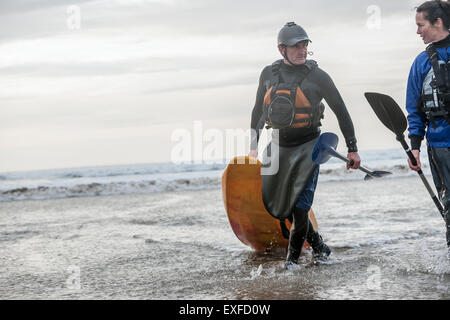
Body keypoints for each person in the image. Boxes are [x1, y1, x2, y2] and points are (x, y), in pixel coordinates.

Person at [249, 22, 361, 269]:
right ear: (281, 49)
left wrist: (352, 148)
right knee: (283, 206)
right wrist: (253, 145)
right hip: (277, 146)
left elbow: (341, 111)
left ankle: (291, 266)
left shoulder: (318, 77)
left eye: (304, 45)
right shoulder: (268, 74)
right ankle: (319, 246)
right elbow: (258, 110)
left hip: (310, 147)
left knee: (300, 208)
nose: (302, 51)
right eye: (295, 46)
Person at [406, 0, 450, 248]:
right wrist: (414, 146)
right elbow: (414, 109)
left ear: (438, 22)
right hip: (440, 146)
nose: (418, 31)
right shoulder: (421, 63)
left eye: (421, 25)